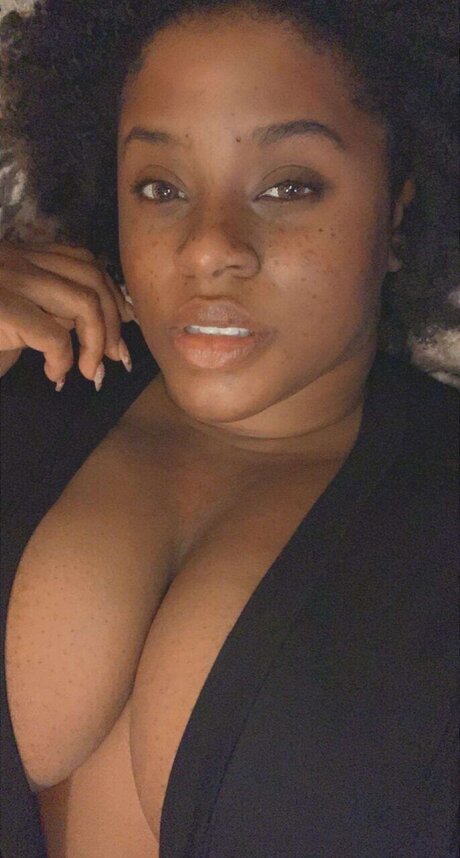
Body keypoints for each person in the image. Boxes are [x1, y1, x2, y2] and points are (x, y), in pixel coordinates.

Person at [0, 1, 458, 856]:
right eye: (160, 188)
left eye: (289, 186)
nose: (208, 248)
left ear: (397, 212)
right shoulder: (27, 370)